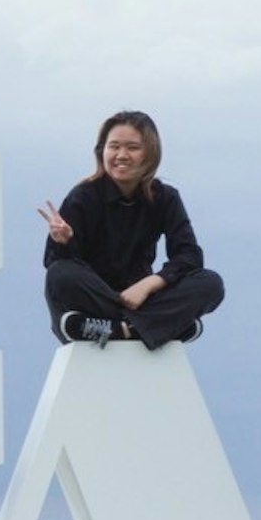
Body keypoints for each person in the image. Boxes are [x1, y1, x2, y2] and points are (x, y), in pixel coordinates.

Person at [37, 110, 226, 347]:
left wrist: (150, 284)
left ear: (150, 153)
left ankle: (114, 329)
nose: (121, 155)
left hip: (141, 297)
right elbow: (56, 264)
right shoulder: (83, 196)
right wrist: (63, 241)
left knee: (211, 283)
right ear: (102, 151)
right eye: (113, 146)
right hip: (97, 298)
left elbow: (189, 256)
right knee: (59, 274)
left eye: (132, 148)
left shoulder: (165, 197)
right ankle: (154, 327)